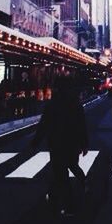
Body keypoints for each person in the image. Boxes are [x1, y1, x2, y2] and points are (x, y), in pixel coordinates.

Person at [31, 86, 88, 216]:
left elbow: (43, 125)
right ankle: (56, 198)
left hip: (56, 145)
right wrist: (84, 144)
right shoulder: (76, 106)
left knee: (60, 173)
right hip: (72, 144)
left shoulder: (51, 106)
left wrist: (35, 142)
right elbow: (82, 126)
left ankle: (63, 203)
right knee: (67, 169)